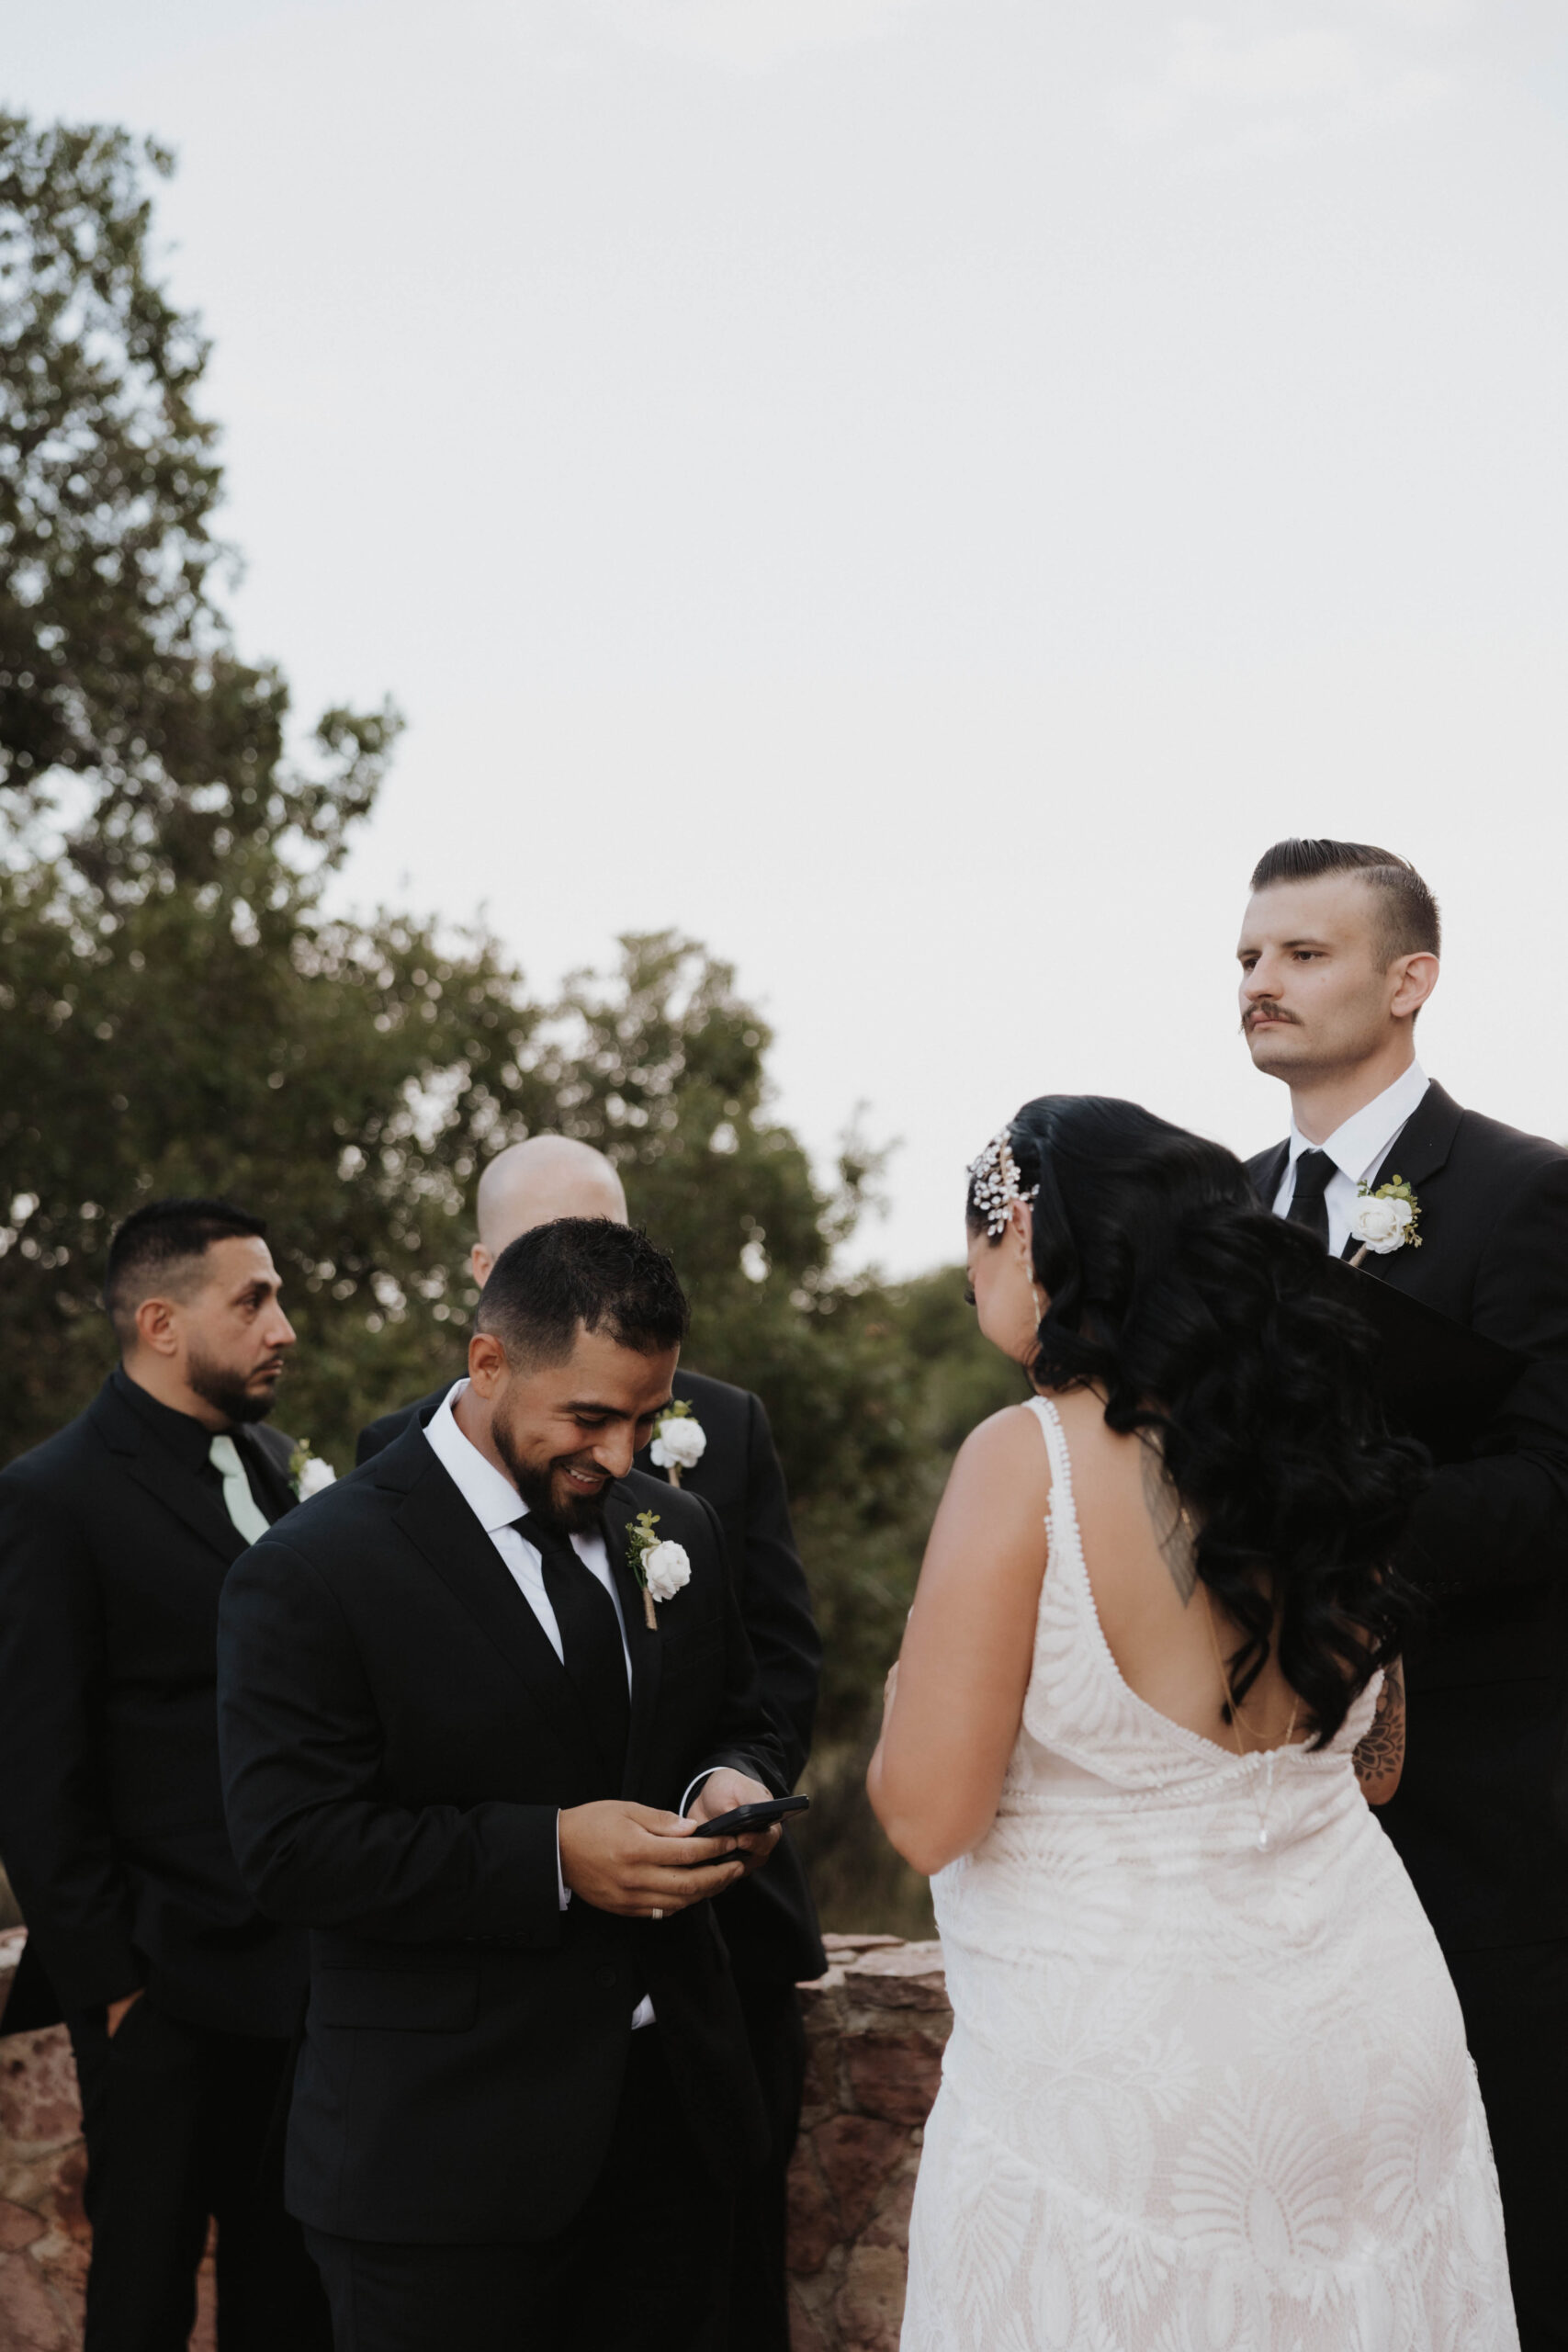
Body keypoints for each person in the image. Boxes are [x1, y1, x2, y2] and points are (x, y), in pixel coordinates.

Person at [873, 1097, 1516, 2349]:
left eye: (979, 1250)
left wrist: (911, 1685)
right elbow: (1370, 1768)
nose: (970, 1278)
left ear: (1038, 1244)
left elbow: (925, 1815)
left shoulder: (1024, 1461)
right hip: (1375, 2049)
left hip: (1127, 2097)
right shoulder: (1320, 1451)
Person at [217, 1217, 791, 2352]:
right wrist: (553, 1856)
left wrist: (733, 1784)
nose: (622, 1456)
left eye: (647, 1418)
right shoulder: (313, 1568)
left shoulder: (681, 1530)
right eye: (589, 1417)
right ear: (488, 1366)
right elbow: (292, 1847)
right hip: (439, 2169)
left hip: (673, 2130)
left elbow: (742, 1715)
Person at [356, 1135, 824, 2349]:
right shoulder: (381, 1479)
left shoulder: (717, 1435)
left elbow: (768, 1676)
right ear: (483, 1290)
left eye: (610, 1247)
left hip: (701, 1999)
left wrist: (737, 1782)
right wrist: (552, 1854)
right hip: (481, 2052)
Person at [1237, 835, 1568, 2349]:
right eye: (1249, 956)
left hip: (1477, 1817)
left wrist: (1343, 1517)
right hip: (1250, 1822)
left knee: (1504, 2218)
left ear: (1408, 977)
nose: (1262, 982)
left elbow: (1550, 1485)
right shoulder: (1218, 1226)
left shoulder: (1521, 1196)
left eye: (1303, 954)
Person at [0, 1197, 331, 2352]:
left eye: (278, 1296)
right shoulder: (54, 1496)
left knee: (289, 2295)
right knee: (139, 2296)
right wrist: (114, 1989)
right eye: (253, 1300)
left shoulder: (279, 1467)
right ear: (159, 1322)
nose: (283, 1325)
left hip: (296, 1971)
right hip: (164, 1983)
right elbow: (36, 1768)